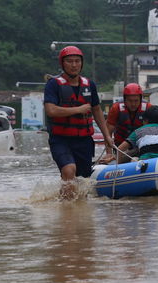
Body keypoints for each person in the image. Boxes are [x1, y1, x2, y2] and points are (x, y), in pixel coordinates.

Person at [44, 46, 113, 198]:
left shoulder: (90, 85)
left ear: (81, 63)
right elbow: (51, 110)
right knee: (69, 170)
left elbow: (96, 110)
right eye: (69, 61)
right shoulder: (53, 84)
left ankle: (77, 214)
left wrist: (107, 136)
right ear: (62, 64)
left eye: (77, 61)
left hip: (84, 140)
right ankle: (67, 212)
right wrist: (77, 109)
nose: (74, 65)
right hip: (60, 139)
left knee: (82, 183)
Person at [103, 84, 158, 160]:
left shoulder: (148, 108)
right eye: (130, 101)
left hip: (141, 145)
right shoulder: (116, 109)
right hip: (121, 145)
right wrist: (109, 153)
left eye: (136, 101)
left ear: (140, 99)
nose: (133, 104)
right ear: (124, 99)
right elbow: (108, 133)